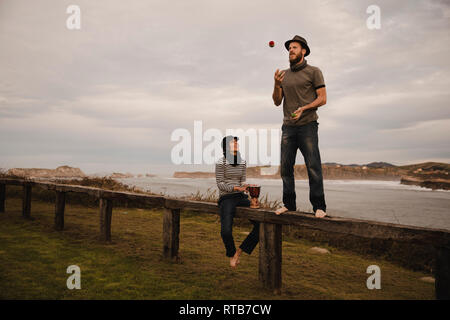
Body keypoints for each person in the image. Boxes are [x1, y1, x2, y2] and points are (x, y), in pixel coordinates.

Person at [272, 35, 327, 218]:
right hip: (288, 127)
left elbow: (322, 98)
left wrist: (305, 108)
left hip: (308, 126)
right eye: (289, 48)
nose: (291, 51)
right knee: (286, 168)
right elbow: (277, 102)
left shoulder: (314, 72)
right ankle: (289, 204)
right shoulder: (284, 75)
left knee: (313, 166)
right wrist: (276, 84)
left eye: (294, 47)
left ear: (303, 51)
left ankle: (319, 207)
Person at [215, 136, 260, 268]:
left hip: (240, 197)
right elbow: (220, 184)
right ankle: (231, 252)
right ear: (226, 147)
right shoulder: (220, 162)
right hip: (227, 198)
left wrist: (247, 187)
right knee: (226, 232)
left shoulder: (243, 162)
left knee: (261, 225)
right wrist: (235, 187)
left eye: (236, 142)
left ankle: (239, 252)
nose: (235, 144)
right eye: (232, 142)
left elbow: (242, 180)